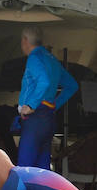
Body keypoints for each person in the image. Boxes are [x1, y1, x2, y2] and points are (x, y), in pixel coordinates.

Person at [16, 26, 78, 170]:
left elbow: (43, 81)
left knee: (25, 170)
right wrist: (55, 104)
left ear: (25, 41)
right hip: (48, 118)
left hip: (35, 119)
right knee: (42, 170)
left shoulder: (34, 58)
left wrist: (31, 105)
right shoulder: (51, 59)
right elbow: (72, 85)